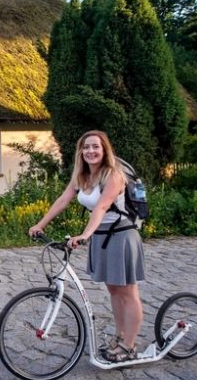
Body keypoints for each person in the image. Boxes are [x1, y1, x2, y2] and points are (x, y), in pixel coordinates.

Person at [28, 130, 145, 362]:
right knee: (113, 290)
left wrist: (84, 235)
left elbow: (101, 208)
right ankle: (120, 336)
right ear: (80, 151)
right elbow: (63, 200)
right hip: (102, 235)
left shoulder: (114, 175)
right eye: (86, 147)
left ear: (105, 150)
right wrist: (39, 224)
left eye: (96, 147)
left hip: (122, 236)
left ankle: (129, 346)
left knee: (127, 292)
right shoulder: (81, 176)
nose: (90, 151)